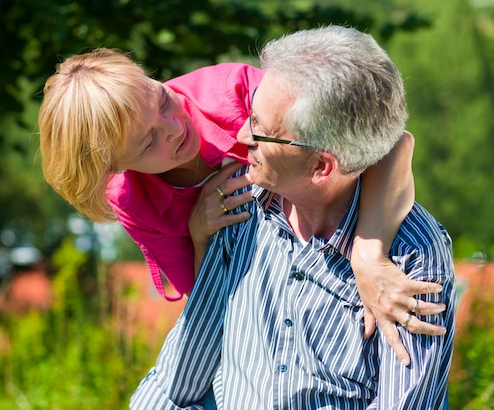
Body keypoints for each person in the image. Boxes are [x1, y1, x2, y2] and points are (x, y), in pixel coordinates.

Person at [38, 43, 446, 363]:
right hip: (270, 335)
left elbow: (391, 144)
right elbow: (209, 305)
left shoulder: (232, 89)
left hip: (356, 267)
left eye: (162, 99)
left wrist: (368, 255)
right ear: (115, 166)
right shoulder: (133, 203)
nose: (175, 127)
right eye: (148, 141)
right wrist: (199, 236)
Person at [130, 25, 456, 409]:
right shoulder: (237, 204)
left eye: (260, 131)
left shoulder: (413, 258)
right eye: (249, 115)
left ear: (321, 166)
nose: (241, 136)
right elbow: (176, 382)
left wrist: (366, 251)